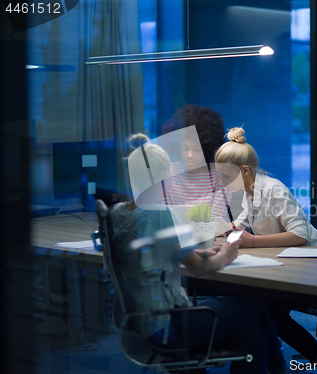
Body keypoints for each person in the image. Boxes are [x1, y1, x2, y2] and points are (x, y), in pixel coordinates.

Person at [112, 143, 287, 374]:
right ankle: (280, 369)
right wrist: (226, 255)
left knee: (252, 332)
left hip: (134, 322)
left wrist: (200, 252)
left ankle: (278, 369)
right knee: (253, 303)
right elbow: (198, 268)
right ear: (166, 176)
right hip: (165, 325)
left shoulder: (118, 212)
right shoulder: (162, 215)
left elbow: (168, 255)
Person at [215, 127, 317, 365]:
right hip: (287, 264)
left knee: (266, 310)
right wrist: (212, 230)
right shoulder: (247, 192)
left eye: (225, 177)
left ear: (244, 170)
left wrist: (252, 241)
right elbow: (240, 223)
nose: (221, 182)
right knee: (257, 305)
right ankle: (276, 363)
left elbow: (300, 235)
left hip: (314, 264)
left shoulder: (273, 189)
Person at [161, 104, 231, 221]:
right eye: (185, 148)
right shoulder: (167, 173)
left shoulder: (221, 176)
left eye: (197, 150)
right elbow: (164, 218)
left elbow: (216, 220)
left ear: (208, 148)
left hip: (213, 237)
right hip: (176, 237)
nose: (190, 155)